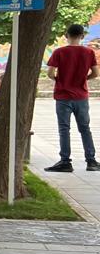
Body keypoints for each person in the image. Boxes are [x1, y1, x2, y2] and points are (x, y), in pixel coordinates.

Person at [45, 23, 99, 172]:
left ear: (66, 35)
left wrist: (58, 79)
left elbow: (50, 73)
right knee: (85, 128)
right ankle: (91, 161)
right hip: (81, 96)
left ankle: (65, 162)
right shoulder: (89, 52)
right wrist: (83, 79)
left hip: (63, 95)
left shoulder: (59, 52)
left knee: (64, 129)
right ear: (82, 36)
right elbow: (95, 73)